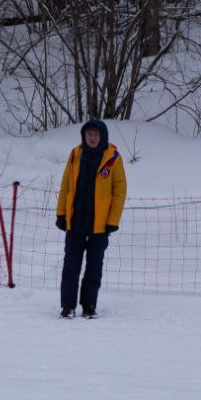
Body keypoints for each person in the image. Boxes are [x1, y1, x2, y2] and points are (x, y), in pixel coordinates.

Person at [56, 119, 127, 318]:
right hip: (75, 224)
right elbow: (65, 186)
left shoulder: (113, 157)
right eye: (89, 134)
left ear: (102, 136)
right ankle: (68, 307)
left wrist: (113, 220)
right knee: (70, 268)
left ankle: (89, 306)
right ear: (84, 135)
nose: (92, 138)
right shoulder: (75, 154)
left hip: (100, 226)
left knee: (94, 269)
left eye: (96, 134)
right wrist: (61, 214)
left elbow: (120, 192)